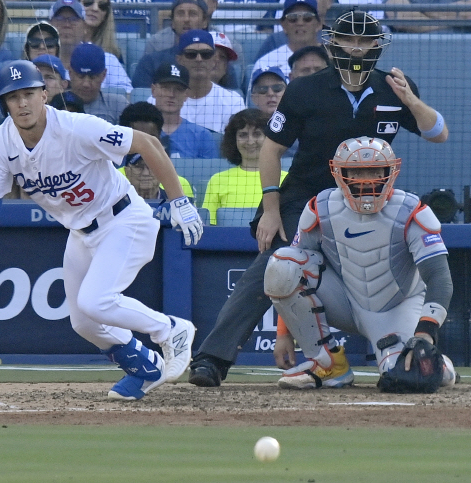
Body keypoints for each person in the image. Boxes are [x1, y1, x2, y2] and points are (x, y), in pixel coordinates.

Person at [188, 10, 449, 387]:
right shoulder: (303, 89)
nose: (357, 48)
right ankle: (213, 359)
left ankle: (389, 346)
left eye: (365, 41)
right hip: (305, 196)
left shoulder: (395, 87)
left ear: (377, 46)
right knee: (273, 263)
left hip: (370, 201)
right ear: (333, 43)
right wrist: (271, 210)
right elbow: (270, 151)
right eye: (349, 40)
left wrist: (411, 100)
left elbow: (438, 133)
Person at [0, 60, 203, 400]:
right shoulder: (0, 144)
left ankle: (171, 330)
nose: (22, 103)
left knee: (97, 301)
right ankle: (146, 368)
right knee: (83, 321)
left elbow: (148, 144)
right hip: (80, 231)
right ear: (4, 103)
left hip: (124, 219)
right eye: (13, 97)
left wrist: (178, 201)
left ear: (44, 94)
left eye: (29, 94)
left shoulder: (77, 127)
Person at [264, 136, 457, 392]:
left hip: (397, 307)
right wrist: (283, 333)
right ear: (338, 173)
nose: (366, 180)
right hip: (343, 300)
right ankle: (329, 364)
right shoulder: (319, 208)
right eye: (356, 171)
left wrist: (425, 333)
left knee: (405, 377)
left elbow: (439, 277)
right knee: (283, 262)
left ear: (390, 172)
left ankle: (441, 366)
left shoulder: (412, 210)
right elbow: (293, 273)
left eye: (374, 170)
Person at [202, 108, 287, 224]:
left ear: (268, 138)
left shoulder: (286, 179)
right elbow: (209, 225)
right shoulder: (217, 181)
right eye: (243, 135)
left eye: (257, 134)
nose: (250, 142)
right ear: (234, 140)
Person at [170, 29, 246, 133]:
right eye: (191, 54)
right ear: (179, 60)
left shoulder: (233, 102)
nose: (199, 59)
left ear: (214, 60)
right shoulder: (161, 100)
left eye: (206, 54)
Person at [48, 0, 132, 94]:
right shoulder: (39, 62)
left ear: (85, 27)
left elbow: (127, 95)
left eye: (74, 19)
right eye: (60, 18)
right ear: (50, 25)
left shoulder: (108, 60)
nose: (67, 24)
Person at [118, 102, 195, 200]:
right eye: (138, 139)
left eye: (151, 138)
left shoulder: (179, 184)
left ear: (159, 139)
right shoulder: (112, 181)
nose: (145, 145)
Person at [131, 0, 210, 88]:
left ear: (205, 22)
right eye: (180, 14)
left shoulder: (216, 61)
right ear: (172, 23)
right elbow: (141, 97)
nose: (186, 19)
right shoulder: (151, 62)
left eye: (192, 14)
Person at [150, 62, 219, 159]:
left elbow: (210, 173)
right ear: (153, 90)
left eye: (178, 89)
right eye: (165, 88)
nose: (171, 94)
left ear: (186, 94)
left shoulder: (202, 136)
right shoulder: (140, 131)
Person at [250, 0, 323, 87]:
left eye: (307, 18)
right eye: (293, 18)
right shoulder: (266, 62)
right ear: (283, 25)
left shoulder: (333, 58)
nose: (300, 23)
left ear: (319, 24)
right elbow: (255, 99)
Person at [69, 43, 129, 124]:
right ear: (70, 73)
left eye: (92, 77)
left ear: (103, 75)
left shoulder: (118, 105)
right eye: (81, 76)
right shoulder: (56, 104)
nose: (86, 84)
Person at [383, 0, 471, 33]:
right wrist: (455, 21)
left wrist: (418, 9)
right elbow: (401, 18)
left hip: (465, 51)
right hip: (411, 52)